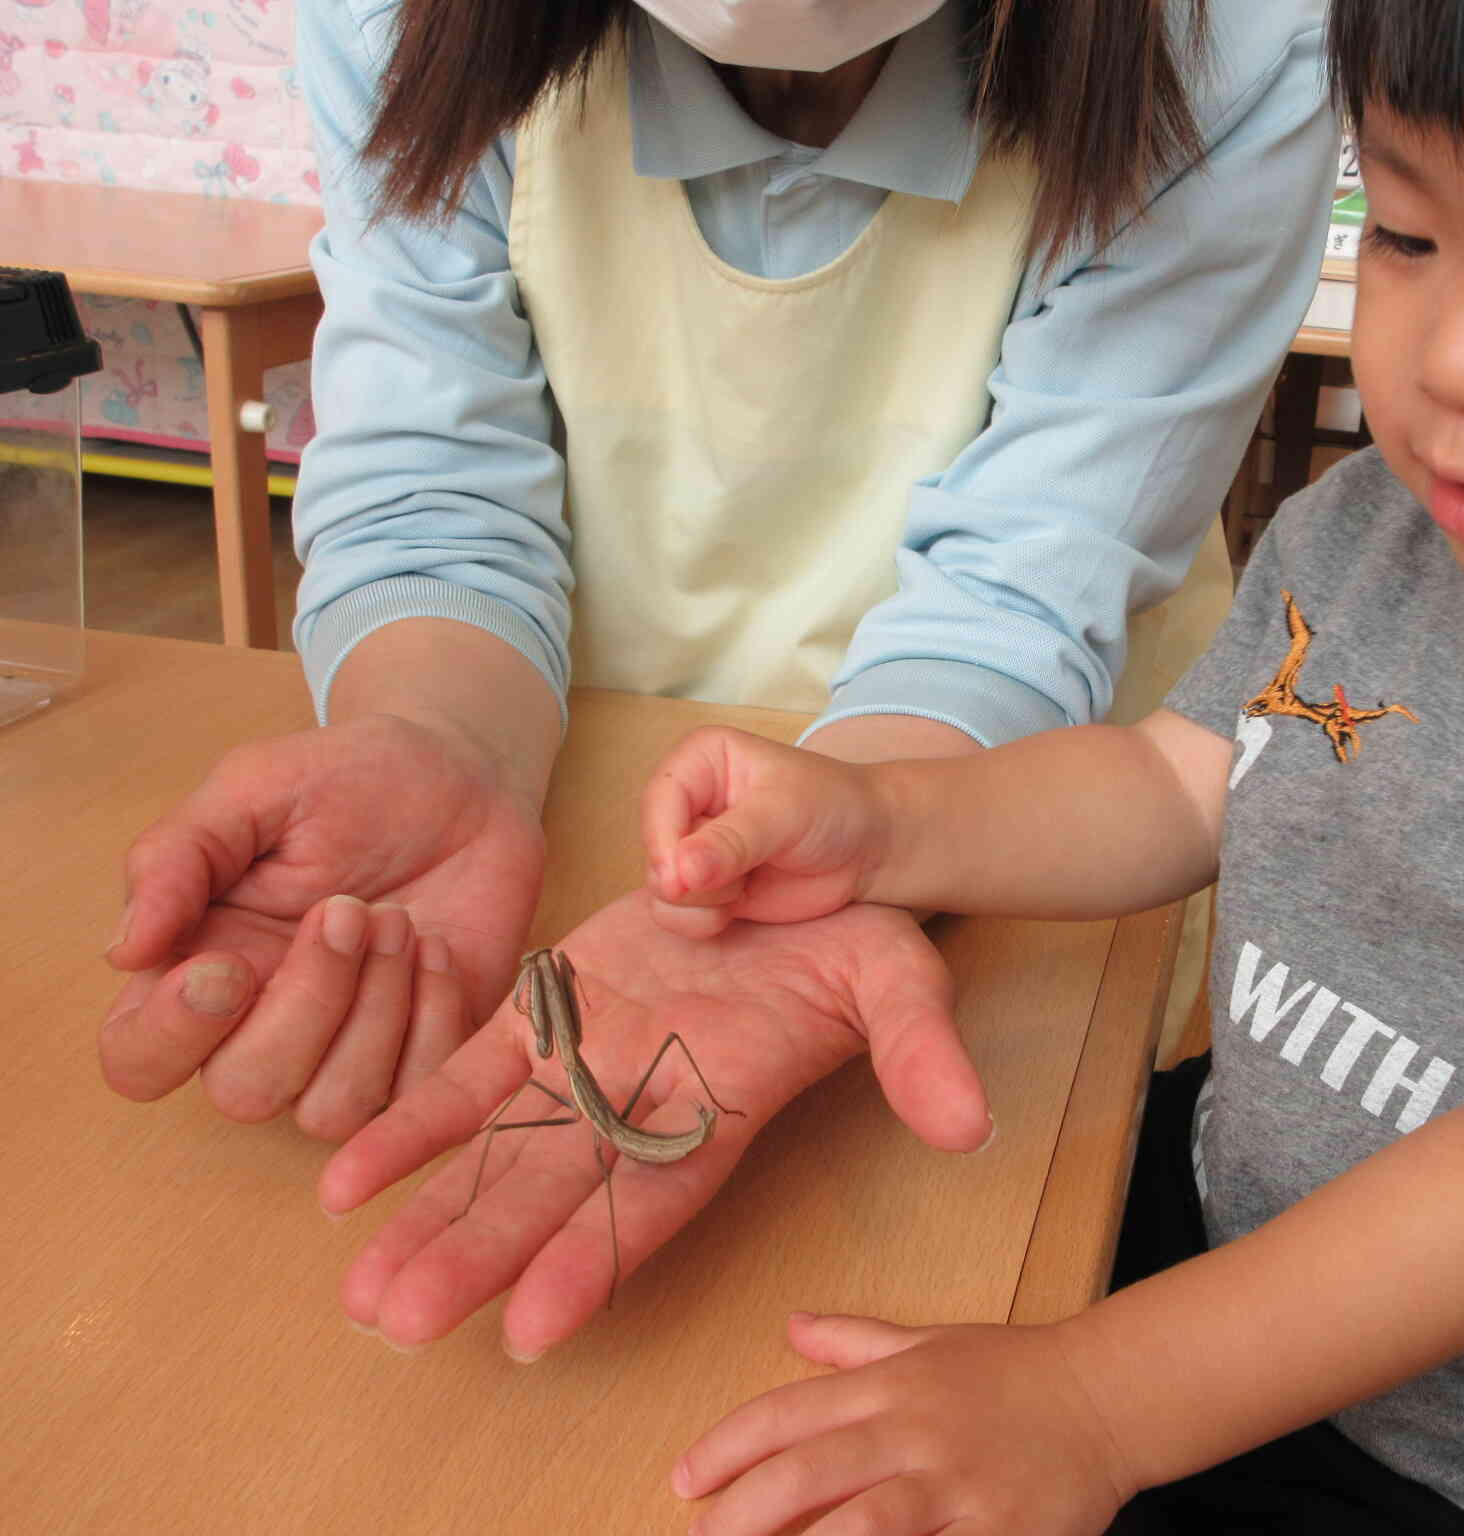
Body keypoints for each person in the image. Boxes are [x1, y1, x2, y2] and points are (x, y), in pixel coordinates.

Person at [519, 0, 1464, 1529]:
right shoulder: (1378, 524)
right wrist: (885, 820)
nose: (1453, 363)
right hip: (1236, 1222)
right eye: (1409, 234)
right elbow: (1181, 784)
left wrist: (1091, 1400)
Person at [97, 1, 1337, 1349]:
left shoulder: (1229, 39)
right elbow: (430, 478)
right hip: (581, 836)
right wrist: (435, 735)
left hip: (1021, 856)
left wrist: (859, 837)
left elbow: (1028, 581)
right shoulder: (399, 24)